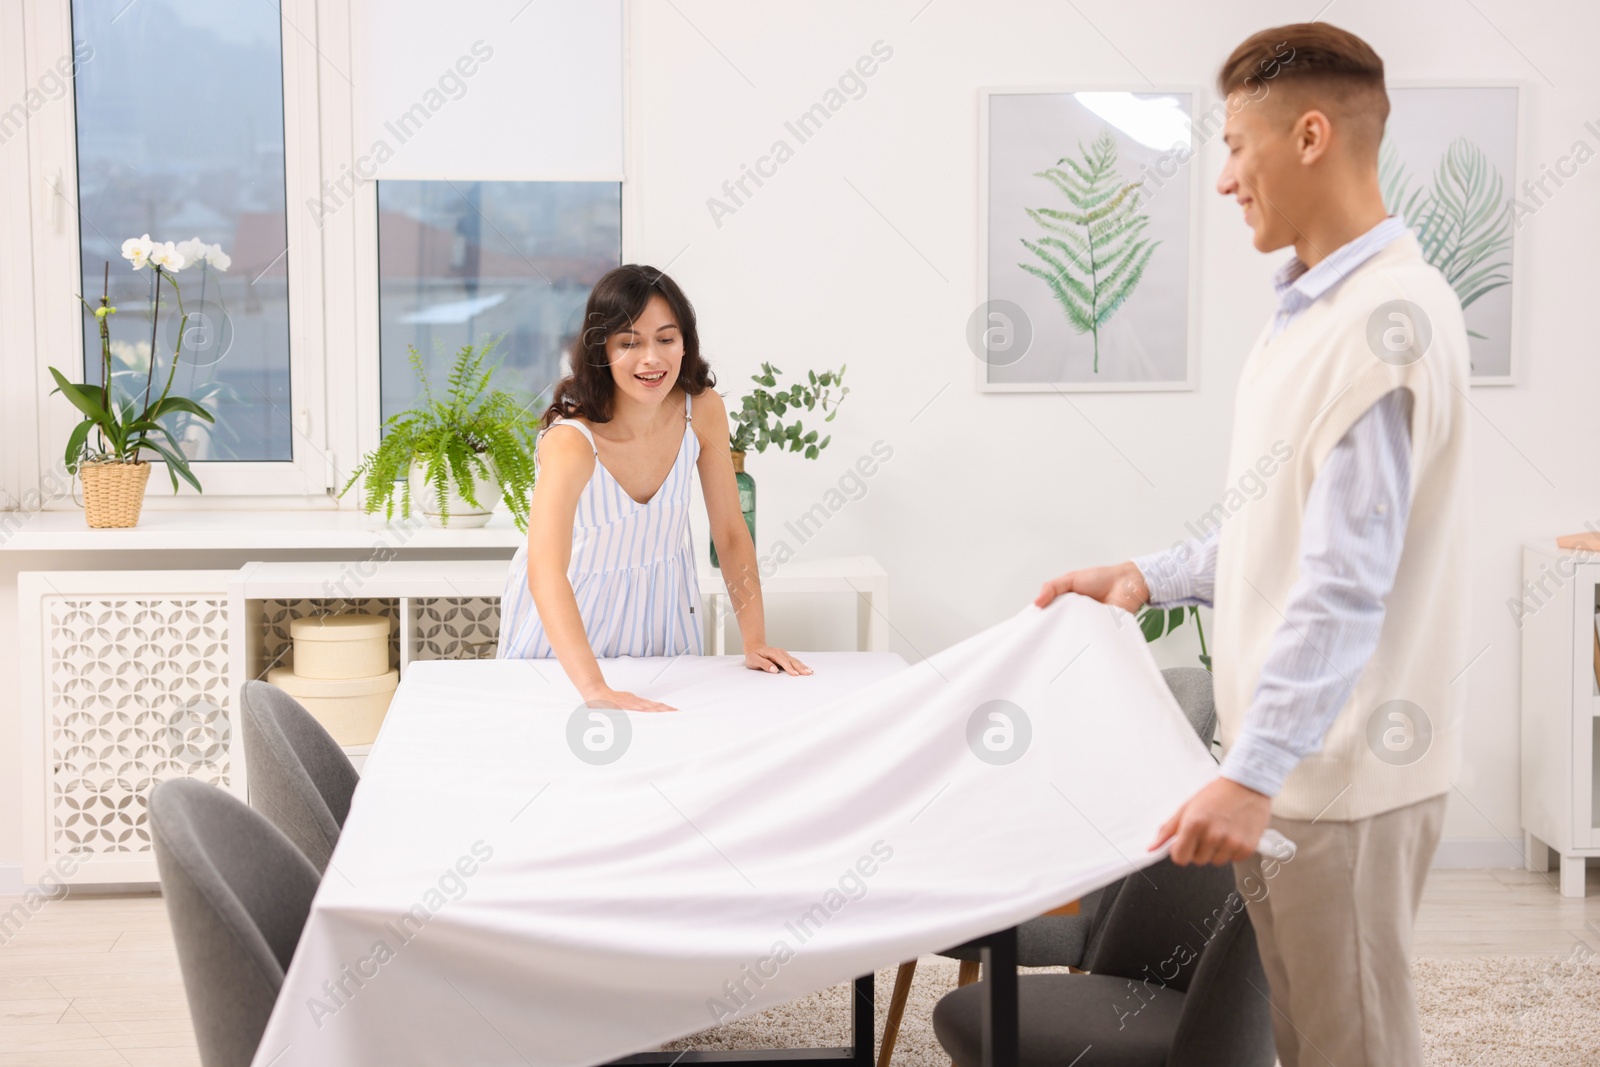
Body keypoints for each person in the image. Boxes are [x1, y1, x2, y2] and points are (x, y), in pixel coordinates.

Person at [1036, 23, 1469, 1066]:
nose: (1225, 178)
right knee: (1306, 1037)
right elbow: (1281, 523)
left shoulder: (1385, 324)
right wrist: (1151, 575)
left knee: (1355, 1044)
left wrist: (1251, 769)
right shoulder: (1310, 315)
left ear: (1310, 134)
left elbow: (1341, 586)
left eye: (1236, 144)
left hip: (1339, 776)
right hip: (1299, 770)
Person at [497, 264, 810, 710]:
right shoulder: (572, 442)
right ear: (601, 349)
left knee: (673, 745)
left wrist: (755, 640)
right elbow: (546, 573)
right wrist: (594, 689)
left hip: (664, 611)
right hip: (566, 626)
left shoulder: (701, 410)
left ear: (685, 342)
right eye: (630, 343)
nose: (651, 359)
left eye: (666, 339)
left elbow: (730, 531)